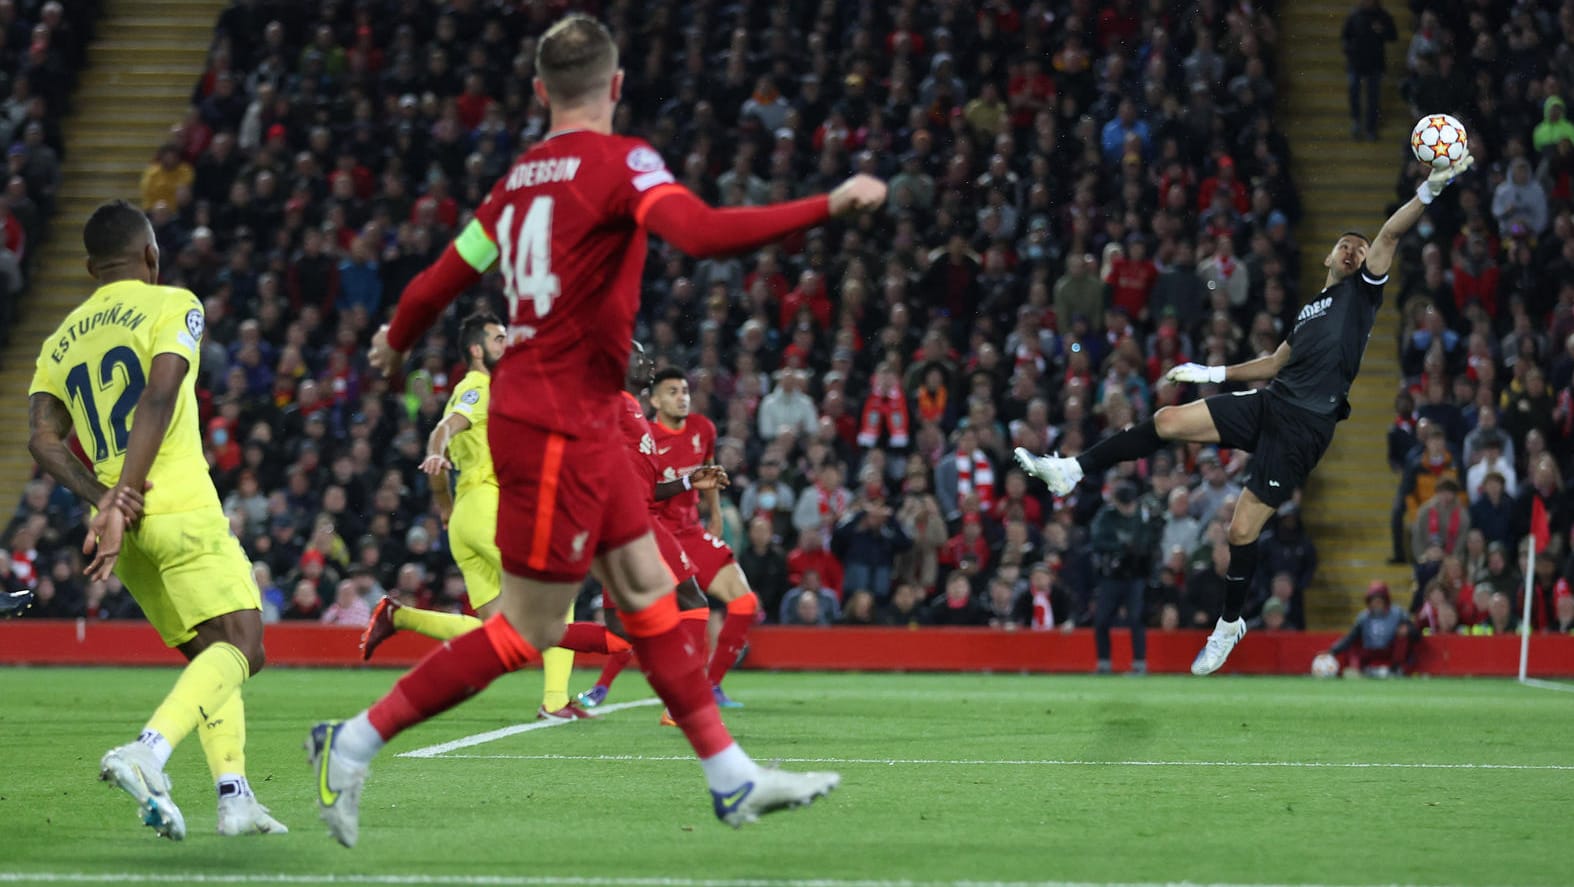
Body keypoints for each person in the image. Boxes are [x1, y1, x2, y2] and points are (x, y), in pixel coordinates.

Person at [309, 14, 885, 846]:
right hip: (553, 423)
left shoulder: (512, 186)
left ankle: (731, 777)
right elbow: (701, 234)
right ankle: (352, 741)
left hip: (577, 418)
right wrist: (828, 204)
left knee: (647, 592)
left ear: (540, 92)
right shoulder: (625, 163)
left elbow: (438, 280)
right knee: (526, 632)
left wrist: (395, 342)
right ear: (615, 87)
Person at [1017, 152, 1475, 676]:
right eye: (1346, 244)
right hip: (1272, 401)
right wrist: (1211, 373)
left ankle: (1229, 624)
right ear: (1330, 254)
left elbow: (1391, 235)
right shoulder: (1311, 309)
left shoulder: (1361, 294)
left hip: (1305, 426)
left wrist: (1430, 189)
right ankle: (1071, 470)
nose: (1354, 249)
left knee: (1239, 533)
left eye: (1361, 247)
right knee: (1168, 422)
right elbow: (1276, 362)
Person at [26, 199, 285, 838]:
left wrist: (103, 498)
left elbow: (42, 438)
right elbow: (160, 394)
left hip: (126, 530)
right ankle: (147, 751)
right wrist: (126, 492)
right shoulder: (173, 303)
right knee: (243, 645)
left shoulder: (58, 341)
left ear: (90, 268)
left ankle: (235, 794)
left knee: (207, 653)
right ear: (151, 255)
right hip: (171, 501)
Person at [358, 312, 623, 721]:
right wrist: (435, 450)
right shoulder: (477, 388)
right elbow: (445, 428)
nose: (507, 343)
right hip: (491, 507)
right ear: (477, 349)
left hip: (466, 515)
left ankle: (399, 615)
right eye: (500, 338)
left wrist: (445, 506)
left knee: (502, 635)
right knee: (557, 591)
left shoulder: (490, 389)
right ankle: (555, 701)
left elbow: (447, 454)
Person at [577, 343, 724, 721]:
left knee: (620, 635)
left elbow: (652, 487)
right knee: (693, 601)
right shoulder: (611, 402)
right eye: (636, 355)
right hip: (631, 522)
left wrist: (692, 480)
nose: (646, 362)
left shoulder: (632, 409)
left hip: (628, 521)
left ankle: (526, 632)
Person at [639, 366, 761, 708]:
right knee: (665, 616)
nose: (682, 397)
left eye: (685, 391)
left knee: (745, 603)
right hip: (657, 532)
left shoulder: (702, 429)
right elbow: (644, 493)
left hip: (692, 530)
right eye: (673, 392)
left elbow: (708, 475)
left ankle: (711, 685)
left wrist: (717, 517)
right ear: (655, 400)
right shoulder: (645, 437)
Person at [1089, 482, 1157, 674]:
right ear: (1115, 502)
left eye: (1130, 504)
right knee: (1102, 620)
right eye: (1124, 504)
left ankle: (1139, 663)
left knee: (1136, 619)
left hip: (1136, 574)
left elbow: (1149, 541)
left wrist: (1136, 550)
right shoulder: (1106, 516)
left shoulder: (1142, 516)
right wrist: (1119, 547)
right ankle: (1103, 663)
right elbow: (1096, 540)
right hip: (1112, 575)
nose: (1128, 508)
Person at [1325, 581, 1415, 676]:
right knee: (1352, 645)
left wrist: (1408, 630)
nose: (1376, 603)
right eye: (1373, 600)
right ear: (1369, 601)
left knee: (1402, 639)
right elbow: (1349, 638)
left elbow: (1416, 634)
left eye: (1379, 600)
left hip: (1390, 649)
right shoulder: (1363, 617)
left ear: (1386, 600)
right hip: (1370, 649)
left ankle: (1398, 669)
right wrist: (1332, 650)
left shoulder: (1398, 613)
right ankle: (1356, 670)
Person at [1341, 0, 1396, 141]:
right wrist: (1350, 50)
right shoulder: (1354, 16)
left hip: (1375, 64)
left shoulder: (1383, 16)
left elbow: (1393, 36)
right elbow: (1345, 37)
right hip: (1356, 63)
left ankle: (1371, 127)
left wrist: (1382, 31)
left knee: (1373, 98)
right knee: (1354, 92)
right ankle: (1356, 122)